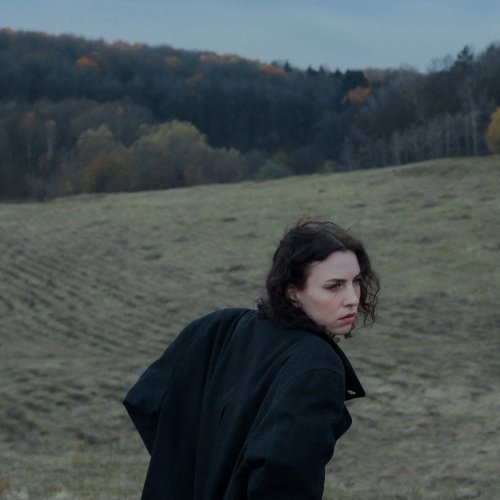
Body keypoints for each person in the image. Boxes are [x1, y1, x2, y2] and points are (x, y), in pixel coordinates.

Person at [123, 220, 380, 499]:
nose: (352, 298)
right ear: (293, 293)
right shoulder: (318, 366)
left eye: (356, 281)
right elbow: (284, 476)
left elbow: (147, 400)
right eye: (334, 286)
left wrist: (185, 475)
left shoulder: (221, 325)